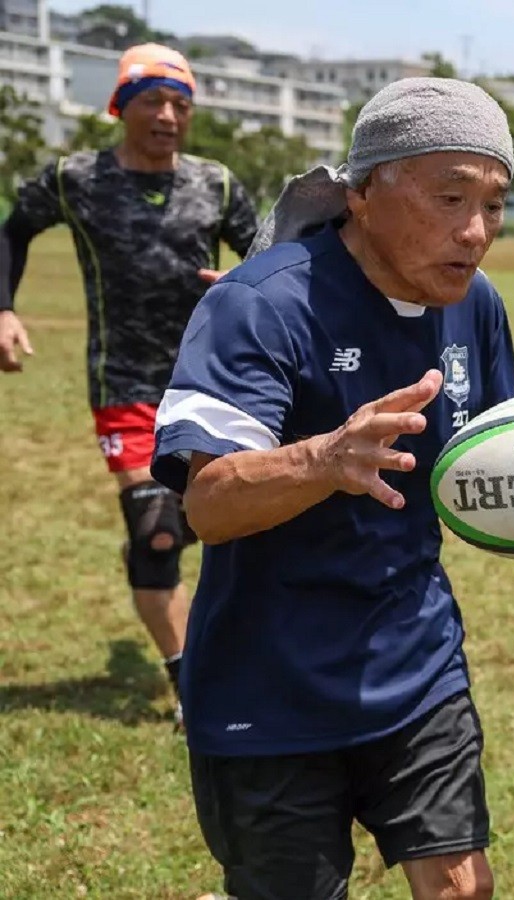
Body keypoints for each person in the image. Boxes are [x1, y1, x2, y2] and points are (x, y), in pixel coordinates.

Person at [150, 77, 514, 900]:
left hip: (415, 662)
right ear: (364, 193)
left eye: (493, 205)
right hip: (268, 685)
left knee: (463, 888)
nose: (475, 232)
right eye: (449, 198)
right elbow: (209, 505)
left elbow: (497, 460)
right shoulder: (259, 303)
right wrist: (324, 459)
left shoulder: (475, 306)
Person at [0, 43, 259, 729]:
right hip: (124, 383)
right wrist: (3, 309)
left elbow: (270, 257)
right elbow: (13, 231)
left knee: (216, 519)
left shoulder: (216, 184)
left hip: (213, 382)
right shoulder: (76, 179)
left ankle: (162, 543)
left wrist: (245, 285)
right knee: (157, 533)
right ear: (121, 106)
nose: (169, 116)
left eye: (180, 104)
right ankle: (191, 684)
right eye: (153, 101)